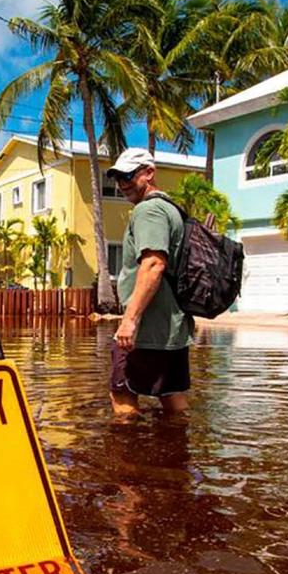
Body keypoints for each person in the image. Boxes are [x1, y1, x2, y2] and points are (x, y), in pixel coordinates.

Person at [105, 148, 194, 416]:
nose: (122, 184)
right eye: (117, 178)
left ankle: (126, 457)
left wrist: (130, 320)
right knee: (170, 394)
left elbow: (154, 264)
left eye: (128, 176)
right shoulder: (171, 209)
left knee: (122, 392)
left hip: (148, 328)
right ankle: (179, 454)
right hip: (171, 327)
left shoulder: (149, 210)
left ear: (149, 173)